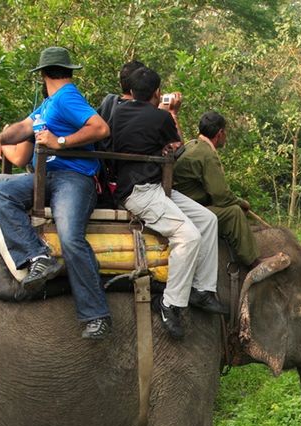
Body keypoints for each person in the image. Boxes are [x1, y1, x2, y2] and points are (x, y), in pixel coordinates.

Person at [0, 46, 112, 340]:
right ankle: (39, 256)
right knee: (1, 194)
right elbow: (24, 127)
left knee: (70, 236)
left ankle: (97, 314)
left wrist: (61, 141)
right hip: (46, 176)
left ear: (42, 75)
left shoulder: (67, 96)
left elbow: (100, 128)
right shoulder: (49, 104)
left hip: (74, 178)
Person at [109, 66, 226, 339]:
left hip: (154, 188)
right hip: (140, 192)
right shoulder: (159, 117)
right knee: (189, 237)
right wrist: (172, 114)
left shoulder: (117, 110)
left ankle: (202, 289)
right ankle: (169, 303)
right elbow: (178, 149)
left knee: (209, 220)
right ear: (157, 93)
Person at [172, 111, 262, 268]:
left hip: (179, 204)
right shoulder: (207, 154)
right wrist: (242, 203)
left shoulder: (192, 145)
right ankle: (253, 262)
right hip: (187, 211)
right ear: (220, 133)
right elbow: (221, 196)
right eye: (225, 132)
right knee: (234, 212)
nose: (225, 135)